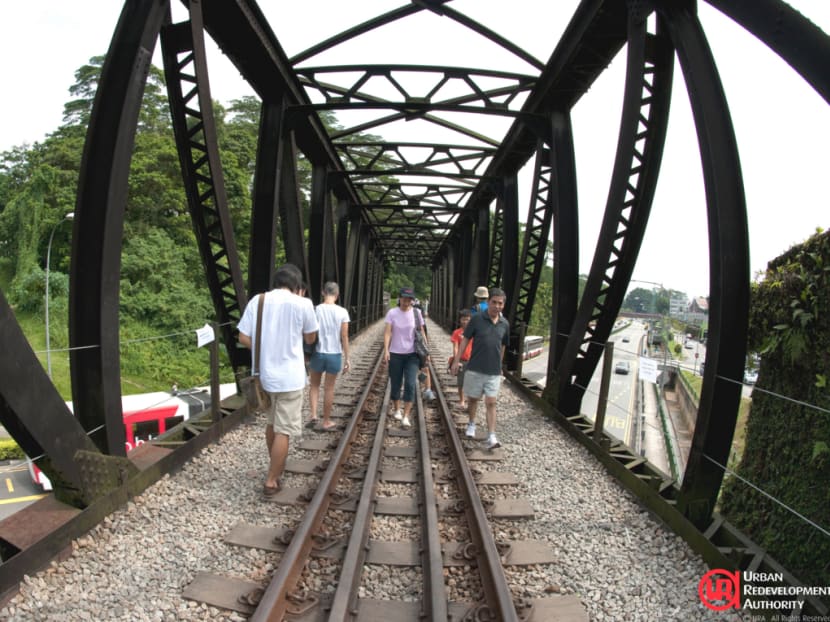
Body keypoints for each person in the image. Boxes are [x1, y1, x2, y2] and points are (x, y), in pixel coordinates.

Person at [238, 264, 319, 496]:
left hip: (265, 376)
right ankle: (272, 480)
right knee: (284, 430)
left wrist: (263, 350)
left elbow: (243, 336)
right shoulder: (302, 303)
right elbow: (311, 338)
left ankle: (275, 466)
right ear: (297, 286)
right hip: (290, 377)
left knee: (272, 424)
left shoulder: (258, 301)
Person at [451, 287, 509, 449]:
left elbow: (503, 345)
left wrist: (500, 365)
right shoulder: (476, 319)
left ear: (503, 305)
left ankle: (491, 435)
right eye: (494, 302)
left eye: (500, 304)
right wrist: (456, 360)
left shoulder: (505, 324)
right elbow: (465, 340)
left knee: (491, 402)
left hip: (493, 371)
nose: (497, 306)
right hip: (475, 367)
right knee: (474, 399)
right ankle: (471, 423)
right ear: (488, 302)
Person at [307, 282, 351, 431]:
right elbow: (344, 336)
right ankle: (326, 421)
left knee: (314, 385)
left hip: (318, 353)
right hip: (334, 354)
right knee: (329, 388)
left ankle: (313, 415)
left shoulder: (316, 310)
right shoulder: (342, 312)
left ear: (323, 293)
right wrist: (347, 359)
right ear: (337, 295)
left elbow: (310, 332)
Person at [383, 287, 427, 428]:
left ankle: (406, 415)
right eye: (404, 297)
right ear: (399, 298)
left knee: (410, 383)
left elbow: (421, 333)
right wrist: (386, 350)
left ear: (412, 300)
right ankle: (397, 409)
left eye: (409, 298)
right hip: (395, 354)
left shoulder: (417, 312)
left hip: (412, 354)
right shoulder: (392, 313)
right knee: (395, 383)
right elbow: (388, 333)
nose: (406, 300)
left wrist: (426, 351)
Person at [449, 308, 473, 408]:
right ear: (460, 320)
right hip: (462, 360)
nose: (465, 321)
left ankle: (470, 400)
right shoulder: (457, 332)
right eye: (463, 319)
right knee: (461, 382)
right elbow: (455, 347)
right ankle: (462, 400)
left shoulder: (474, 332)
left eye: (467, 319)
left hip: (472, 360)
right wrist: (456, 360)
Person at [413, 298, 435, 401]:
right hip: (410, 349)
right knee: (423, 369)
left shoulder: (423, 326)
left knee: (425, 368)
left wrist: (427, 352)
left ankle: (428, 390)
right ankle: (426, 389)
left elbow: (424, 336)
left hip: (420, 348)